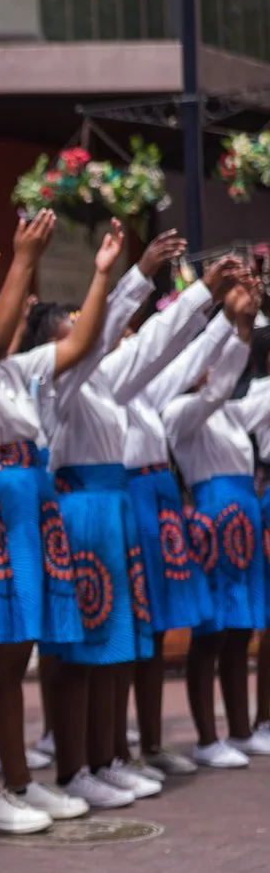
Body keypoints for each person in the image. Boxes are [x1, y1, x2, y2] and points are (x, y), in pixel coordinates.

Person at [0, 209, 116, 833]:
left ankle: (17, 780)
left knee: (16, 654)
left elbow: (81, 341)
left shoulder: (22, 372)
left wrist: (99, 275)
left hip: (27, 505)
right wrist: (21, 259)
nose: (13, 318)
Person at [34, 228, 191, 810]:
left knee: (113, 646)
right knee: (81, 650)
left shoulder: (102, 386)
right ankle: (76, 765)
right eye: (65, 330)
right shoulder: (62, 384)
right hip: (81, 516)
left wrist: (205, 305)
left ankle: (105, 757)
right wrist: (134, 274)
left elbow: (156, 348)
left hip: (108, 515)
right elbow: (103, 344)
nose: (80, 335)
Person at [125, 262, 241, 776]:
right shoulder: (103, 390)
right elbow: (162, 349)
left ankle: (150, 743)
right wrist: (210, 302)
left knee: (151, 632)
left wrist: (230, 325)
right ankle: (108, 751)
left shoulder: (149, 401)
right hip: (128, 505)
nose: (131, 347)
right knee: (128, 631)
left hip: (158, 506)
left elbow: (179, 359)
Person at [163, 272, 269, 767]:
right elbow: (220, 383)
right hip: (212, 528)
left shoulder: (231, 413)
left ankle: (241, 729)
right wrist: (235, 327)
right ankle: (207, 738)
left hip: (241, 531)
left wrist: (246, 327)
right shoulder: (181, 413)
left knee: (235, 633)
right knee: (209, 635)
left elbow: (244, 390)